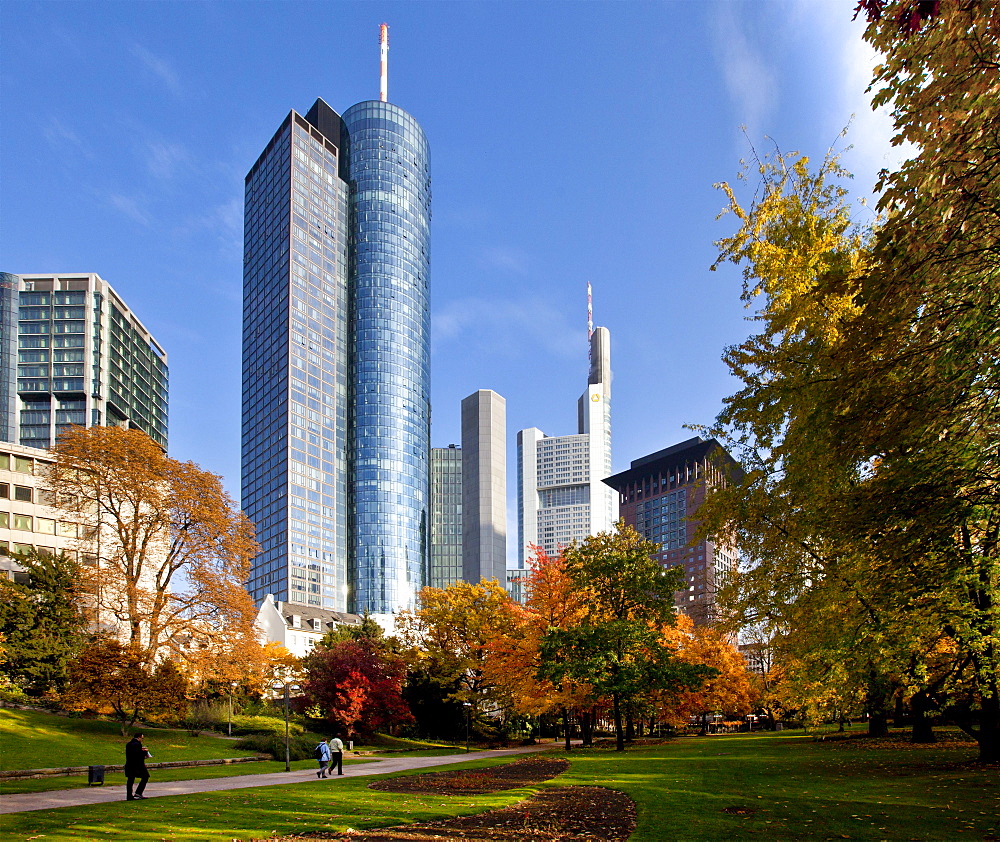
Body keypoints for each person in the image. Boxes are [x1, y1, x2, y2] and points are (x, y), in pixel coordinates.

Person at [124, 732, 151, 800]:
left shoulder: (129, 744)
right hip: (138, 765)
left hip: (129, 764)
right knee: (145, 776)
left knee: (130, 780)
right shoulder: (137, 744)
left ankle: (129, 795)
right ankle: (138, 792)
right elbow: (139, 755)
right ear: (139, 738)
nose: (142, 739)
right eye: (142, 738)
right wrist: (145, 752)